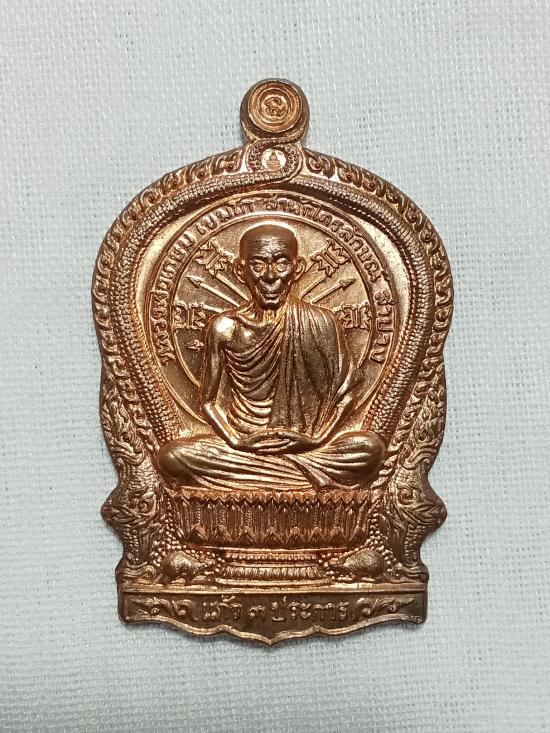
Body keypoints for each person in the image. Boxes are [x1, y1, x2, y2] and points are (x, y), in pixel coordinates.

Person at [157, 222, 384, 490]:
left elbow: (347, 396)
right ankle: (295, 477)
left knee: (369, 450)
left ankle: (263, 478)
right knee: (172, 456)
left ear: (297, 269)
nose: (270, 276)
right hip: (243, 448)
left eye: (281, 263)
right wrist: (236, 441)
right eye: (257, 265)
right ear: (240, 271)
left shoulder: (322, 322)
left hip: (309, 448)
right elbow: (207, 402)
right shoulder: (225, 328)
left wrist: (317, 440)